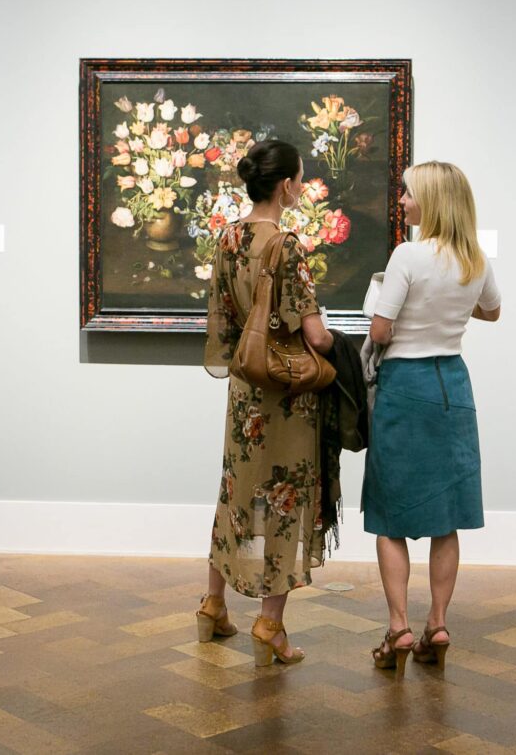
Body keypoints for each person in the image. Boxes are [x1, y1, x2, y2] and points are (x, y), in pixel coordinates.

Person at [198, 139, 334, 666]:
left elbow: (224, 324)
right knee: (283, 500)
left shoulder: (228, 238)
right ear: (285, 186)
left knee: (236, 494)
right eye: (300, 179)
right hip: (284, 397)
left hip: (244, 393)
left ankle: (213, 603)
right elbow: (316, 337)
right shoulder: (287, 245)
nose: (301, 187)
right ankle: (270, 624)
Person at [363, 161, 501, 677]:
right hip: (453, 388)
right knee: (446, 518)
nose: (402, 202)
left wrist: (393, 305)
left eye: (408, 194)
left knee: (389, 514)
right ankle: (437, 623)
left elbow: (379, 331)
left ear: (432, 202)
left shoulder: (408, 255)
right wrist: (452, 307)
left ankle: (398, 627)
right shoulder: (474, 259)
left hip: (406, 386)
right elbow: (493, 311)